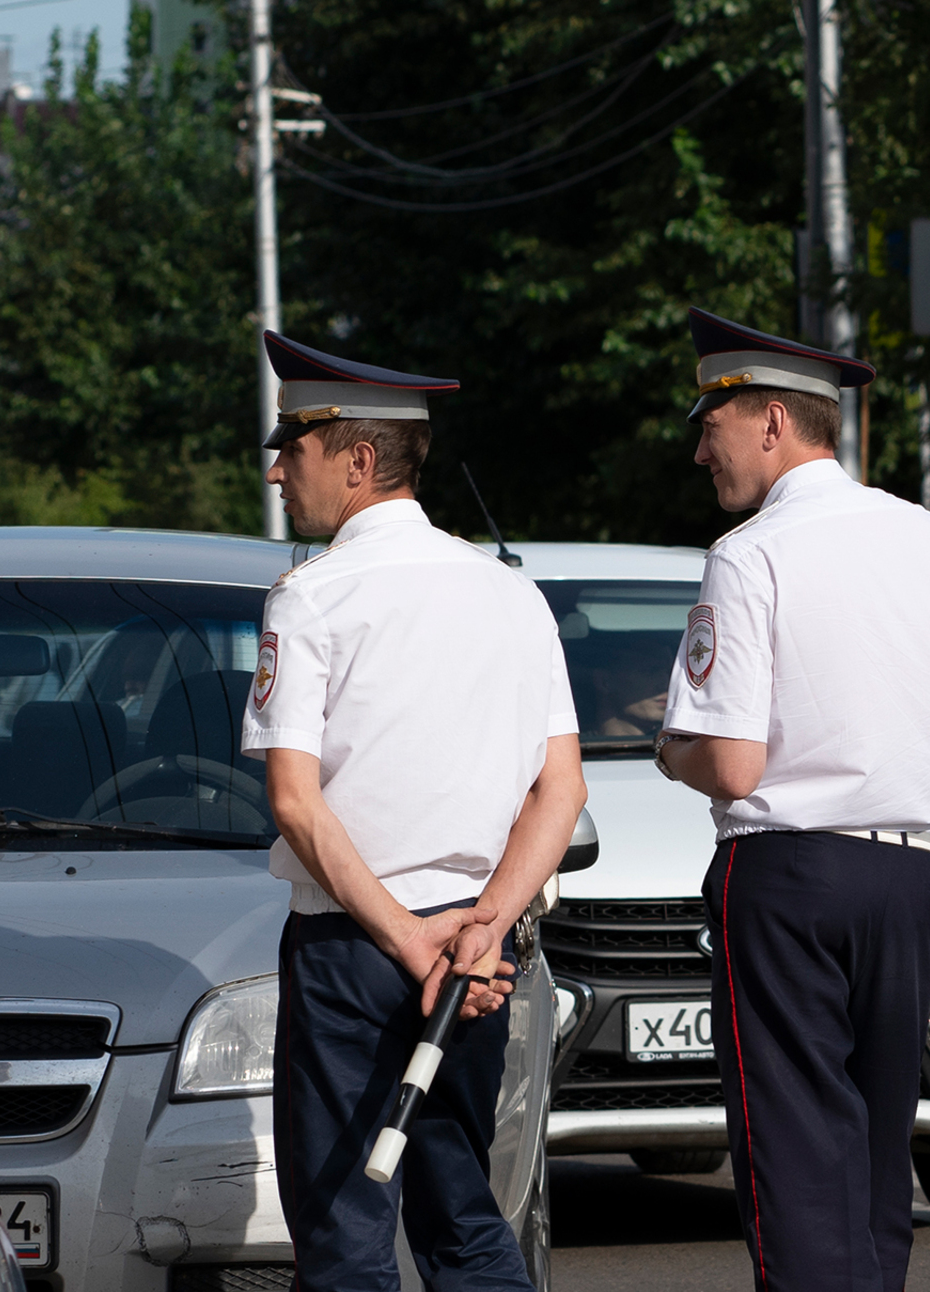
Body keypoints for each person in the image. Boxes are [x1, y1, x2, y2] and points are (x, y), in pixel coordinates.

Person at [654, 308, 930, 1292]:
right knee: (864, 1171)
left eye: (709, 423)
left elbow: (729, 764)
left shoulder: (748, 552)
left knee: (795, 1171)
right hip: (911, 877)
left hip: (789, 877)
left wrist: (666, 744)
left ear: (770, 420)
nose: (698, 451)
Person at [241, 331, 587, 1292]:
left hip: (358, 949)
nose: (277, 471)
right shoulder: (512, 595)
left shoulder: (309, 599)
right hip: (475, 958)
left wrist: (407, 942)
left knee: (346, 1235)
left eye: (293, 447)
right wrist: (482, 930)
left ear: (357, 460)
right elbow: (561, 791)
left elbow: (296, 805)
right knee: (465, 1216)